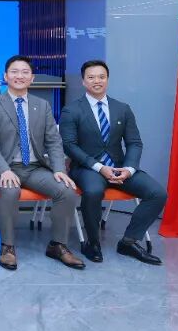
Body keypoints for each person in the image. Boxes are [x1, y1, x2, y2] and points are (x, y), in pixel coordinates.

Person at [0, 55, 83, 271]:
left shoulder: (42, 105)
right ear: (5, 76)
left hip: (35, 167)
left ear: (32, 78)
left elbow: (53, 141)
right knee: (10, 190)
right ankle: (8, 247)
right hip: (3, 168)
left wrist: (59, 169)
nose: (20, 76)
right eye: (14, 72)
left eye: (25, 72)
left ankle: (58, 245)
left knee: (66, 190)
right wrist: (4, 170)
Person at [59, 60, 165, 265]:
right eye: (91, 77)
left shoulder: (122, 109)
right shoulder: (71, 110)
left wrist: (129, 168)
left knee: (157, 193)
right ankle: (92, 243)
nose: (97, 81)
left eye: (101, 77)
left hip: (119, 168)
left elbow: (134, 142)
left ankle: (129, 241)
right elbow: (69, 146)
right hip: (87, 168)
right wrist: (99, 167)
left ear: (107, 80)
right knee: (93, 191)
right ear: (83, 81)